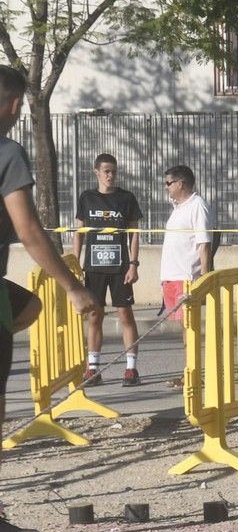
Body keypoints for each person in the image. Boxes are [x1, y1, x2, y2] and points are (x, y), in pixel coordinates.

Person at [0, 65, 99, 532]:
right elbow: (29, 230)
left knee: (27, 307)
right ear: (15, 104)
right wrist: (73, 288)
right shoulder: (8, 152)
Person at [75, 154, 143, 387]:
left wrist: (133, 264)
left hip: (120, 268)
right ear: (96, 172)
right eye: (106, 171)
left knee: (125, 314)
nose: (110, 175)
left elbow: (134, 234)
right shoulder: (86, 198)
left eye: (113, 171)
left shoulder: (126, 198)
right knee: (94, 315)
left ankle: (131, 369)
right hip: (93, 268)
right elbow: (79, 233)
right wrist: (76, 263)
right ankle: (93, 368)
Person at [159, 164, 214, 388]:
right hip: (171, 276)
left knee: (190, 328)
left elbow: (203, 245)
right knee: (184, 328)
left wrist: (204, 277)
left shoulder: (197, 206)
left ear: (180, 183)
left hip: (186, 276)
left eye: (168, 183)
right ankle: (188, 372)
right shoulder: (178, 208)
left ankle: (194, 375)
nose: (166, 187)